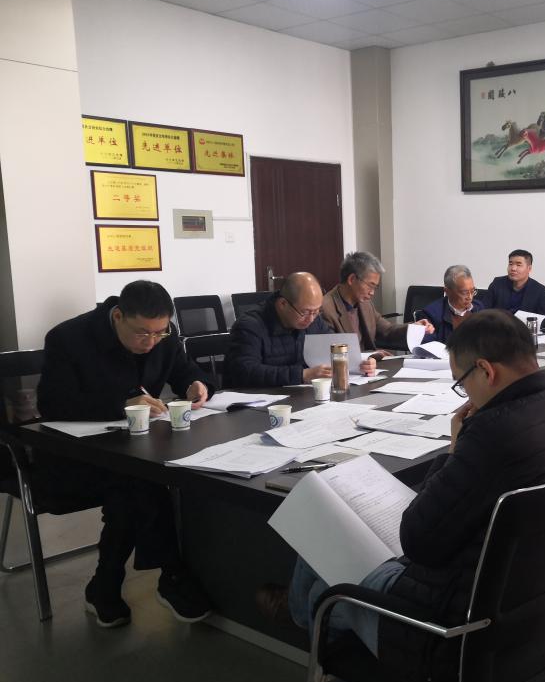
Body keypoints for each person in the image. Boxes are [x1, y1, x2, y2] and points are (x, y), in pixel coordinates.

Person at [281, 310, 545, 682]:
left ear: (486, 370)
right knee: (324, 570)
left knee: (322, 589)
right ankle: (295, 611)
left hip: (452, 640)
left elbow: (418, 543)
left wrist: (456, 449)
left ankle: (308, 661)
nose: (463, 393)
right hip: (542, 620)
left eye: (462, 382)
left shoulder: (494, 435)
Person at [35, 280, 215, 628]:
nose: (151, 342)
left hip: (134, 451)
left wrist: (198, 384)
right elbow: (53, 404)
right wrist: (120, 404)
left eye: (159, 333)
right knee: (139, 483)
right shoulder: (68, 338)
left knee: (136, 481)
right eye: (142, 333)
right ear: (118, 316)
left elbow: (185, 372)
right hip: (71, 457)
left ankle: (105, 585)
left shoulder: (163, 336)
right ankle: (172, 574)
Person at [224, 272, 373, 387]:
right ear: (283, 304)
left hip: (299, 397)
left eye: (316, 311)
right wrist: (302, 375)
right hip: (257, 403)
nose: (311, 319)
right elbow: (245, 371)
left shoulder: (313, 320)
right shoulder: (250, 326)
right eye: (305, 312)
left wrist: (361, 363)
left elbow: (333, 348)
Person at [321, 251, 434, 354]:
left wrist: (415, 328)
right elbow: (332, 355)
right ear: (352, 279)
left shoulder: (365, 304)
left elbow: (387, 331)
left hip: (369, 367)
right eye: (370, 285)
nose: (372, 293)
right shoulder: (326, 309)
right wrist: (370, 356)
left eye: (375, 287)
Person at [421, 265, 485, 344]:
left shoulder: (478, 308)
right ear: (447, 291)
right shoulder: (432, 313)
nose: (470, 297)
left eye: (472, 291)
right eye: (464, 292)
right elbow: (428, 346)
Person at [485, 249, 545, 316]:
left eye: (518, 265)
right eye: (510, 264)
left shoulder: (540, 291)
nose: (513, 268)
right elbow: (484, 308)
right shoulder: (497, 283)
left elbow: (542, 318)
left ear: (529, 268)